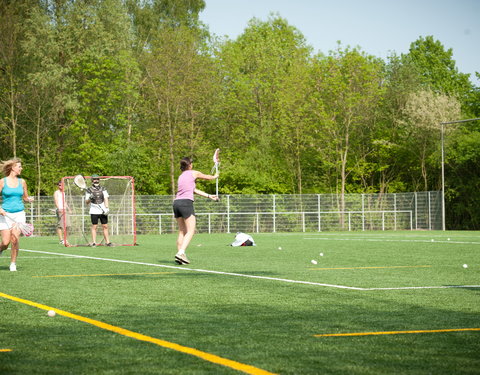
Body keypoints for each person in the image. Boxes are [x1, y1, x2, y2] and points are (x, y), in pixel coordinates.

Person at [173, 157, 218, 265]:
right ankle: (181, 253)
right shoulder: (193, 173)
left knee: (182, 231)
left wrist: (209, 196)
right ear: (189, 165)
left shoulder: (181, 176)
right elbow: (207, 177)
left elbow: (193, 190)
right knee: (191, 230)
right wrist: (215, 176)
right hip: (186, 203)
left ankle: (180, 255)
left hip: (176, 203)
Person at [0, 158, 34, 271]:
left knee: (15, 239)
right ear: (13, 168)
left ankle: (13, 263)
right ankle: (1, 250)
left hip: (19, 214)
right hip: (5, 214)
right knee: (5, 243)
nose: (21, 168)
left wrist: (29, 199)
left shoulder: (22, 182)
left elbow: (24, 197)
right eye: (19, 166)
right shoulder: (2, 181)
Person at [85, 174, 112, 247]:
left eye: (97, 179)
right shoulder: (89, 190)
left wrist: (107, 208)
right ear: (92, 180)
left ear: (99, 180)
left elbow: (106, 198)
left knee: (105, 226)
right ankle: (94, 242)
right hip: (94, 211)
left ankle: (108, 242)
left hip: (103, 211)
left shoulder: (103, 188)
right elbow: (86, 202)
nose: (96, 180)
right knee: (94, 227)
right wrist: (90, 198)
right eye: (94, 179)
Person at [54, 180, 70, 245]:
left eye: (62, 185)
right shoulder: (56, 192)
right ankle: (61, 240)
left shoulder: (64, 193)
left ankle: (65, 239)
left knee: (68, 225)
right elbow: (56, 200)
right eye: (60, 185)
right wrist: (58, 208)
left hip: (65, 210)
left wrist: (69, 208)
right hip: (60, 210)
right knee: (60, 225)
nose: (61, 186)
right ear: (58, 186)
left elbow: (64, 201)